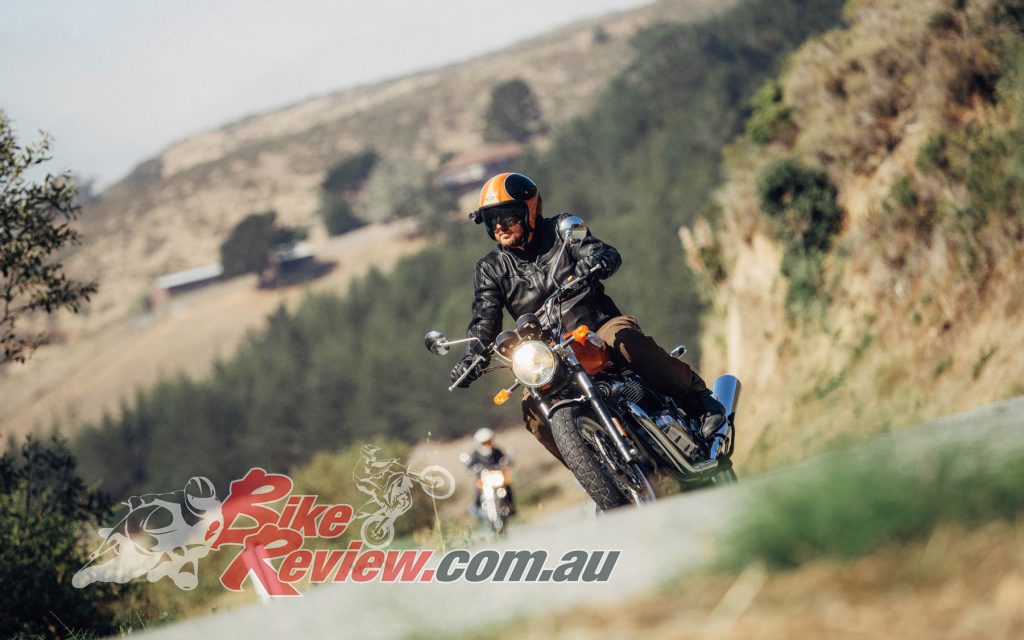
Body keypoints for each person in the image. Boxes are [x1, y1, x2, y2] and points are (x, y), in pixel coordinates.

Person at [450, 172, 725, 466]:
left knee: (625, 341)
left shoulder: (563, 227)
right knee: (533, 411)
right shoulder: (490, 268)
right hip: (550, 353)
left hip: (597, 325)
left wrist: (598, 258)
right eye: (492, 221)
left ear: (529, 212)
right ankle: (594, 471)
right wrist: (471, 357)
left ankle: (699, 401)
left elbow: (596, 248)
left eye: (508, 217)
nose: (501, 227)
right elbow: (484, 317)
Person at [463, 428, 516, 518]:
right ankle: (476, 507)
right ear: (479, 443)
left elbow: (504, 459)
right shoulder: (476, 454)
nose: (488, 445)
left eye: (489, 442)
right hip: (483, 479)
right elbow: (470, 464)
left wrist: (506, 462)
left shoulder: (496, 451)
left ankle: (511, 506)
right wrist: (473, 468)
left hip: (497, 476)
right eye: (485, 443)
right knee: (477, 488)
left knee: (507, 485)